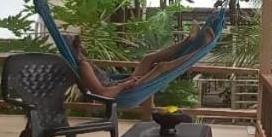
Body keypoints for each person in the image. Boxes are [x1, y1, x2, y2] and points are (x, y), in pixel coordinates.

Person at [72, 21, 216, 100]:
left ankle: (189, 40)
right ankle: (202, 48)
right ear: (77, 49)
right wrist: (124, 85)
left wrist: (125, 82)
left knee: (148, 59)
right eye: (81, 44)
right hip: (122, 92)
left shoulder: (83, 61)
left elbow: (105, 82)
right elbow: (103, 93)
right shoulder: (84, 66)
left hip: (123, 85)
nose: (85, 45)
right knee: (161, 67)